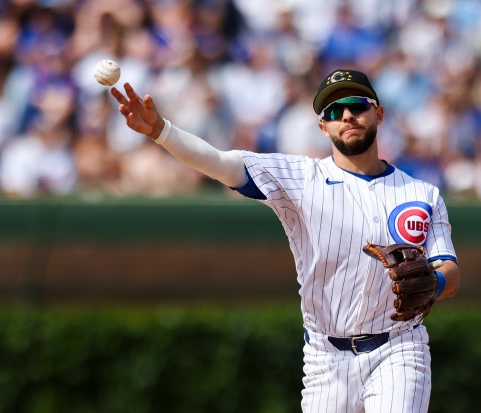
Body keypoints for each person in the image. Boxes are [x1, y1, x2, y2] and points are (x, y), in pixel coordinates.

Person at [111, 68, 461, 413]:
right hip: (326, 358)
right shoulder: (301, 179)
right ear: (323, 126)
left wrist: (436, 281)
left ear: (378, 113)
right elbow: (220, 163)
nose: (348, 116)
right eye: (334, 112)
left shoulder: (421, 193)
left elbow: (450, 271)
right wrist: (161, 131)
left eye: (357, 105)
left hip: (399, 348)